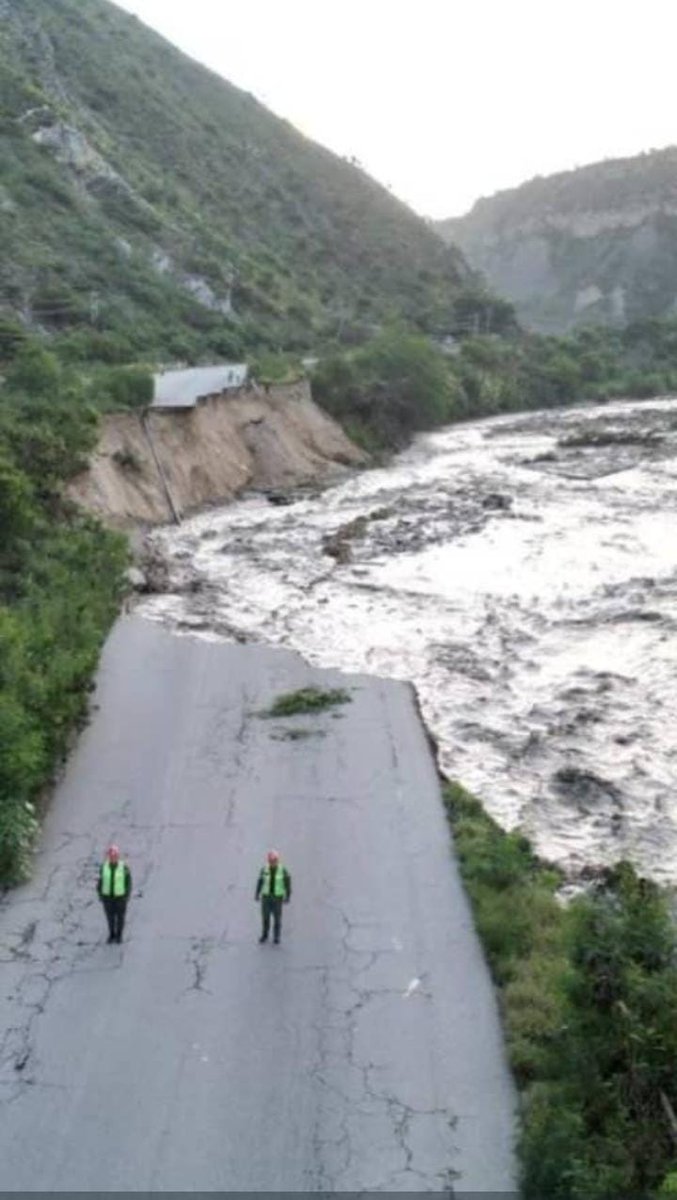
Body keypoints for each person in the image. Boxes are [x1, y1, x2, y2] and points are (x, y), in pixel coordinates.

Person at [97, 844, 132, 943]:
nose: (113, 858)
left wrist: (127, 895)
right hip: (107, 897)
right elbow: (100, 881)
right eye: (111, 856)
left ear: (118, 856)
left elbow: (128, 882)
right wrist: (100, 894)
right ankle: (111, 934)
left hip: (120, 897)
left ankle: (119, 936)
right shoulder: (104, 867)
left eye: (115, 856)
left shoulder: (124, 867)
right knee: (110, 918)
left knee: (120, 918)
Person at [255, 850, 291, 944]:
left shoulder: (283, 870)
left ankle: (276, 936)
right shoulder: (264, 869)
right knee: (265, 917)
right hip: (266, 897)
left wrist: (288, 896)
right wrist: (257, 894)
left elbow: (287, 884)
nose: (272, 862)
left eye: (274, 860)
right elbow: (260, 882)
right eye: (271, 860)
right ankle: (265, 935)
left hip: (277, 898)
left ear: (277, 860)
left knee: (277, 918)